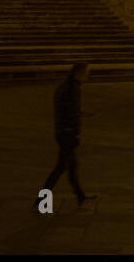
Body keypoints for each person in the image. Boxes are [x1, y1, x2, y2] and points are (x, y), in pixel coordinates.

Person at [41, 63, 96, 209]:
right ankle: (41, 202)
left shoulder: (64, 86)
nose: (88, 77)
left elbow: (67, 108)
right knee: (60, 169)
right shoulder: (74, 89)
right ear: (78, 73)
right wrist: (74, 130)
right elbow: (70, 112)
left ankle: (80, 196)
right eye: (86, 73)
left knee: (71, 166)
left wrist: (80, 112)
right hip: (67, 133)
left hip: (62, 131)